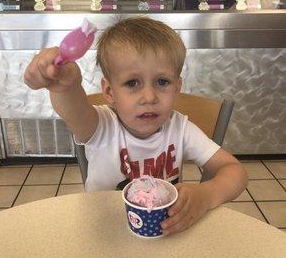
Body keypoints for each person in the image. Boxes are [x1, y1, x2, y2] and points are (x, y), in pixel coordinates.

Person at [24, 17, 248, 235]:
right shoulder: (99, 127)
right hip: (105, 232)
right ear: (109, 92)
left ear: (177, 87)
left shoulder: (180, 128)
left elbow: (235, 171)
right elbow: (72, 109)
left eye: (162, 82)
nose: (149, 96)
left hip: (162, 233)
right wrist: (65, 86)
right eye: (132, 83)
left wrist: (206, 195)